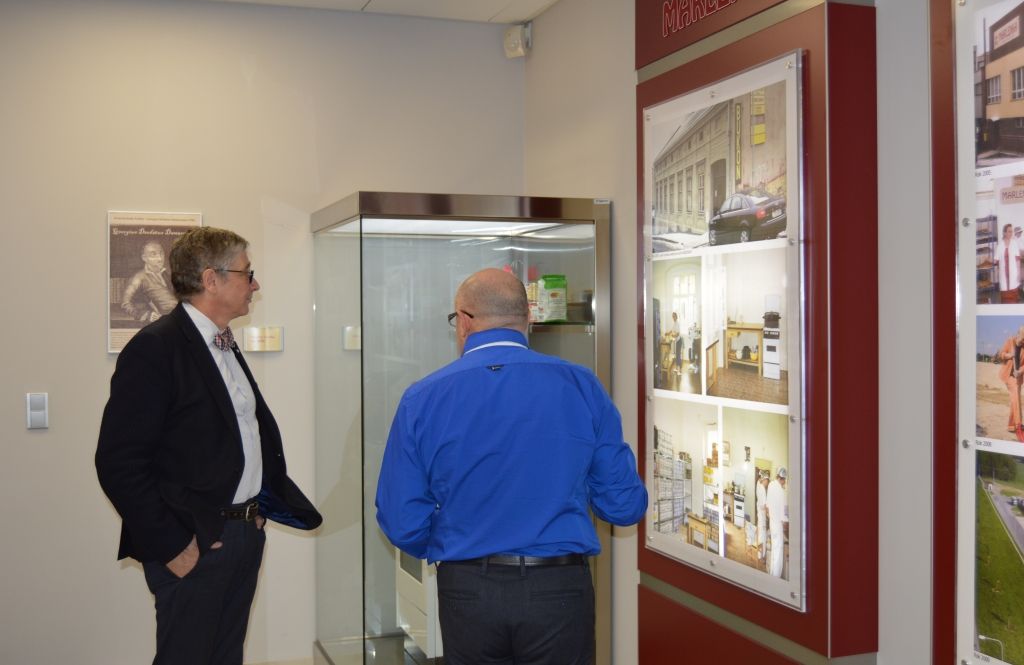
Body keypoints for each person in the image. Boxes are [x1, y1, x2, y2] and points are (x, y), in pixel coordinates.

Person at [375, 267, 647, 665]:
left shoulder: (422, 397)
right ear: (529, 317)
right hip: (558, 588)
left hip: (467, 588)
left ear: (464, 321)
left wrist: (457, 543)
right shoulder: (582, 385)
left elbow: (400, 519)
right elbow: (623, 506)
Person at [96, 226, 322, 665]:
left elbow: (237, 437)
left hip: (243, 533)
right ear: (211, 279)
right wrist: (173, 545)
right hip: (195, 541)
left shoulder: (223, 342)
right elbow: (118, 462)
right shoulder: (155, 348)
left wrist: (257, 508)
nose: (255, 284)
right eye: (247, 273)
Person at [121, 240, 179, 322]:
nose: (160, 258)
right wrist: (145, 315)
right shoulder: (139, 277)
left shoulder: (166, 274)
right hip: (163, 321)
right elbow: (125, 303)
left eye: (161, 253)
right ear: (144, 258)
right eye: (153, 254)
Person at [996, 325, 1024, 441]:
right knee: (1016, 397)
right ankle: (1019, 427)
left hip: (1018, 378)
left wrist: (1020, 371)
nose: (1023, 342)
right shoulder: (1010, 341)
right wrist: (1009, 355)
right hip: (1008, 376)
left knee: (1014, 400)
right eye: (1022, 339)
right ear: (1018, 334)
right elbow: (1001, 355)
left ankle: (1011, 426)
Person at [766, 466, 788, 578]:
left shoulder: (770, 485)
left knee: (774, 550)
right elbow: (784, 514)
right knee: (778, 552)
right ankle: (776, 578)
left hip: (772, 523)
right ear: (783, 479)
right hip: (778, 525)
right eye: (785, 480)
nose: (785, 483)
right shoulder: (781, 492)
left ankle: (771, 574)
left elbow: (767, 507)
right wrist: (785, 524)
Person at [996, 223, 1023, 303]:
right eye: (1009, 231)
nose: (1011, 233)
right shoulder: (1000, 245)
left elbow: (1018, 260)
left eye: (1012, 231)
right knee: (1005, 300)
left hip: (1013, 274)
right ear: (1004, 233)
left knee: (1014, 299)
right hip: (1003, 276)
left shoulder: (1014, 243)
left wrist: (1019, 274)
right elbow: (996, 261)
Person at [755, 469, 769, 563]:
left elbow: (758, 480)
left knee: (760, 534)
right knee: (762, 537)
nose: (767, 483)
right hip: (762, 516)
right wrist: (769, 513)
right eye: (767, 480)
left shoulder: (758, 485)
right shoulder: (762, 490)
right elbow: (764, 506)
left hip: (759, 515)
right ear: (764, 480)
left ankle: (760, 555)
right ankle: (761, 557)